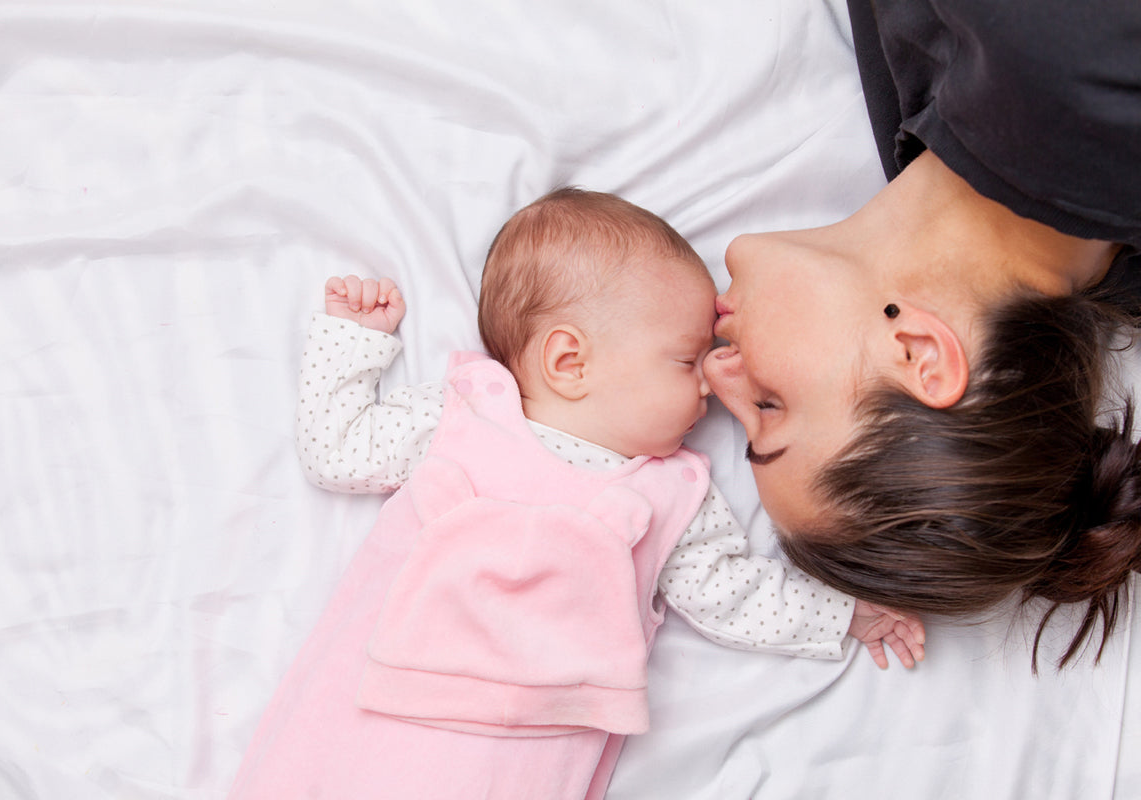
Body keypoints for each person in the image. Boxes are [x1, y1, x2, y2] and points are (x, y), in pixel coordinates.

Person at [228, 188, 923, 800]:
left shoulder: (672, 491)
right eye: (685, 359)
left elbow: (735, 597)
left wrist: (844, 615)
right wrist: (353, 343)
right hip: (373, 715)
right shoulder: (463, 414)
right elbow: (339, 453)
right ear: (570, 360)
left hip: (521, 758)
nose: (710, 380)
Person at [704, 0, 1141, 669]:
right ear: (918, 354)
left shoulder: (932, 134)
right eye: (768, 407)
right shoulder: (1063, 65)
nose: (715, 374)